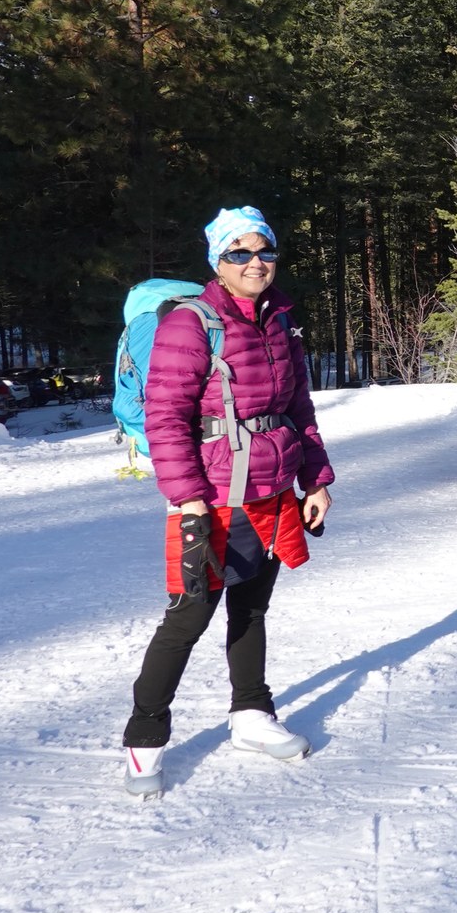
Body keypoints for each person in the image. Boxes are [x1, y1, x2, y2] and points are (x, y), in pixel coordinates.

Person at [121, 206, 335, 797]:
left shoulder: (279, 318)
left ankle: (251, 715)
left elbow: (298, 408)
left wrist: (315, 479)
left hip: (273, 491)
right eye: (239, 253)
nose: (255, 263)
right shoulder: (191, 324)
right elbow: (166, 418)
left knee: (252, 609)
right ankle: (144, 739)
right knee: (187, 618)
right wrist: (188, 500)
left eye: (263, 251)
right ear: (218, 261)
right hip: (211, 498)